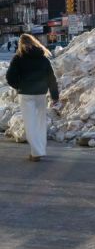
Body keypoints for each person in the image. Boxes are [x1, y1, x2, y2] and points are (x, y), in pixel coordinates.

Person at [5, 34, 60, 162]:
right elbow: (51, 79)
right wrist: (55, 96)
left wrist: (19, 86)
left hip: (26, 94)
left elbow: (9, 77)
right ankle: (40, 150)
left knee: (30, 123)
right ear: (35, 42)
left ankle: (36, 152)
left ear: (20, 44)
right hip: (40, 94)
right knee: (40, 123)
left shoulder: (18, 58)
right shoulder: (43, 58)